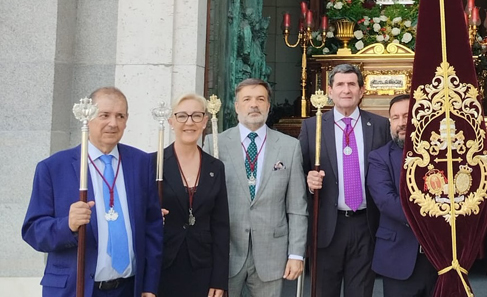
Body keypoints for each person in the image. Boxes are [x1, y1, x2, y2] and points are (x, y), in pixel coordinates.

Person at [22, 87, 162, 297]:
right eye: (104, 115)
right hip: (75, 289)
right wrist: (67, 225)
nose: (113, 123)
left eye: (120, 116)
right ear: (88, 116)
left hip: (128, 289)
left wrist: (149, 286)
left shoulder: (140, 163)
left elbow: (152, 227)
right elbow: (32, 231)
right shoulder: (53, 168)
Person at [204, 78, 307, 297]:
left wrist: (296, 254)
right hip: (227, 253)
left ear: (268, 106)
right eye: (247, 99)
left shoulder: (289, 147)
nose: (254, 105)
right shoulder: (214, 144)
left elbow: (297, 206)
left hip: (271, 254)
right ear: (237, 106)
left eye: (260, 99)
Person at [301, 63, 391, 297]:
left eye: (352, 84)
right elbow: (298, 173)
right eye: (340, 84)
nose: (346, 90)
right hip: (328, 226)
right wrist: (308, 181)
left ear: (362, 90)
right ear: (330, 91)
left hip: (366, 225)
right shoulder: (313, 127)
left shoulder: (380, 126)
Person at [158, 94, 229, 297]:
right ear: (172, 121)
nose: (189, 122)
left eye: (196, 116)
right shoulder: (154, 163)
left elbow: (221, 226)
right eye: (182, 116)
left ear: (205, 121)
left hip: (203, 269)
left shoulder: (215, 167)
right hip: (164, 266)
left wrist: (219, 279)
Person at [366, 94, 437, 297]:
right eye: (395, 117)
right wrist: (431, 219)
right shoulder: (379, 157)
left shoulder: (441, 154)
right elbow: (386, 200)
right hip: (398, 258)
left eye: (407, 116)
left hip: (439, 257)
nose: (402, 123)